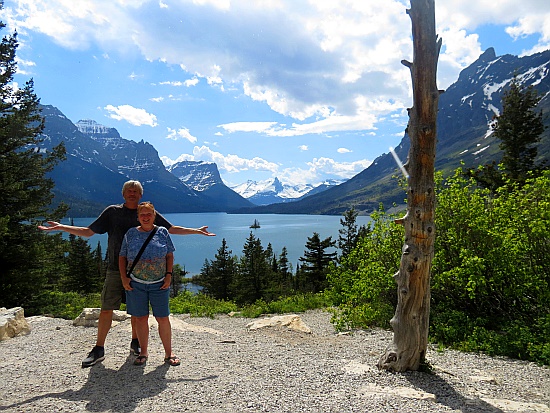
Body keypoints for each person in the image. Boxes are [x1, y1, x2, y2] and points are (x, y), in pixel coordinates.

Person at [38, 180, 215, 368]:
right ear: (123, 194)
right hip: (116, 269)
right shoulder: (112, 212)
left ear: (140, 195)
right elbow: (88, 232)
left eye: (136, 191)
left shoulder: (145, 212)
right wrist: (62, 227)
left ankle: (136, 343)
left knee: (136, 312)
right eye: (129, 191)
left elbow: (171, 230)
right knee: (107, 308)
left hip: (142, 275)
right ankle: (99, 348)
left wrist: (196, 231)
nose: (132, 194)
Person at [119, 202, 178, 366]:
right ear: (137, 217)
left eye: (149, 214)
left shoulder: (162, 232)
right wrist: (124, 278)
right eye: (142, 214)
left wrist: (168, 276)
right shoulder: (130, 234)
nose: (145, 217)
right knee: (140, 318)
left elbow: (169, 255)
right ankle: (143, 352)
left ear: (154, 216)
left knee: (163, 318)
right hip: (136, 283)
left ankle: (169, 353)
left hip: (159, 284)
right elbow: (122, 256)